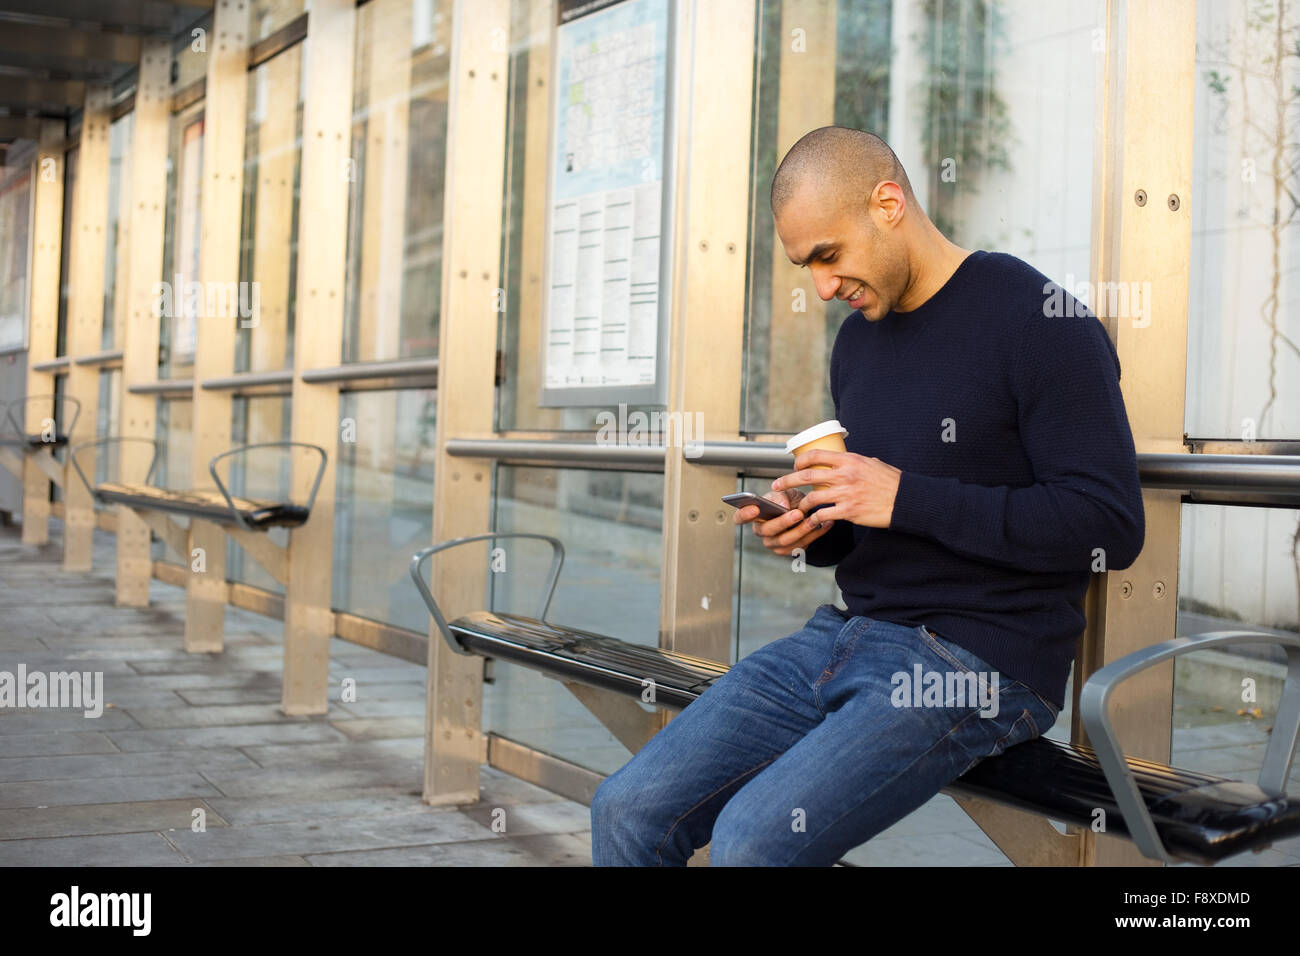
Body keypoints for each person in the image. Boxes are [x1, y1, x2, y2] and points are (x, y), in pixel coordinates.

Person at [590, 125, 1145, 866]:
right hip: (843, 638)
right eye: (804, 266)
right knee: (624, 808)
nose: (822, 287)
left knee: (754, 842)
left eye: (828, 254)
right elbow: (875, 518)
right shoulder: (858, 340)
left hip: (978, 664)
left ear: (888, 204)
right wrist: (818, 528)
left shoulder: (1041, 322)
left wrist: (904, 496)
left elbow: (1107, 522)